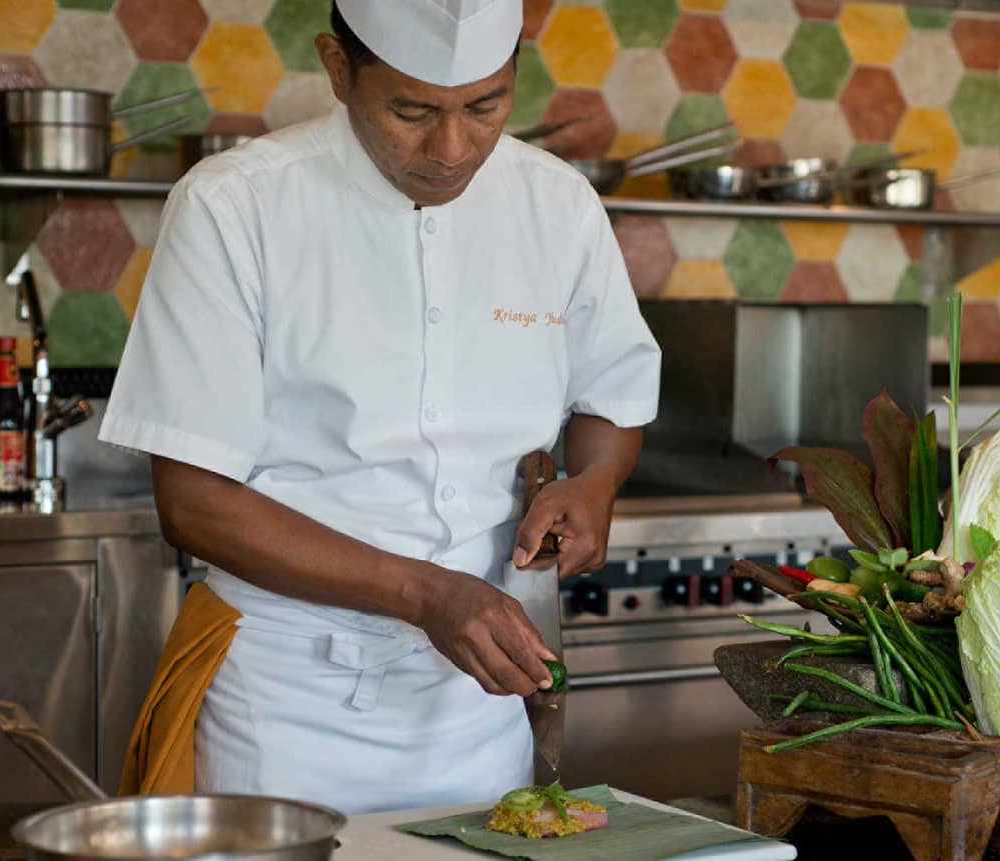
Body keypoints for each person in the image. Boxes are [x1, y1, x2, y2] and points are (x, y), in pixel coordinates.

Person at [100, 0, 660, 814]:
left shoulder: (559, 205)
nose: (453, 147)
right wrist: (426, 594)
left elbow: (610, 394)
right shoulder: (235, 206)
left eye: (486, 106)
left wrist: (596, 482)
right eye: (412, 110)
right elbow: (194, 504)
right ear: (337, 67)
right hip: (285, 709)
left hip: (478, 704)